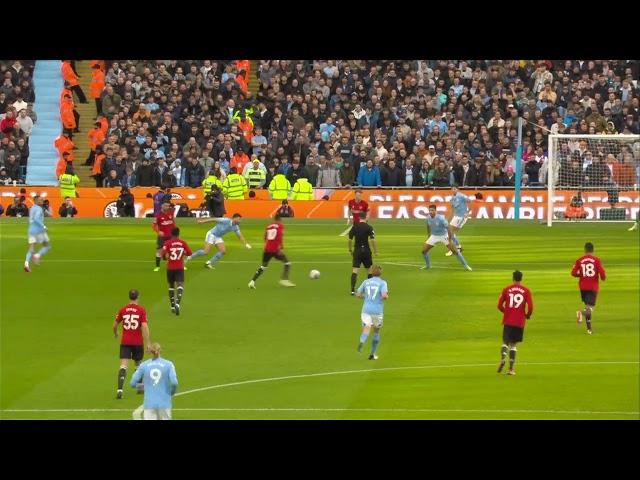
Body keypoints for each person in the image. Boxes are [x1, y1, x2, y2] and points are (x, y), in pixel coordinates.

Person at [113, 288, 151, 399]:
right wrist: (148, 342)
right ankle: (140, 388)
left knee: (123, 366)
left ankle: (120, 389)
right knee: (138, 364)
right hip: (137, 342)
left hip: (125, 342)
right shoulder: (141, 310)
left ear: (129, 297)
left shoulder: (123, 310)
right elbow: (144, 326)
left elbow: (114, 325)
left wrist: (115, 333)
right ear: (138, 297)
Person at [496, 270, 534, 375]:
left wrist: (506, 312)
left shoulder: (506, 289)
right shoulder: (526, 291)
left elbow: (499, 305)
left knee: (505, 342)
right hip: (519, 321)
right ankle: (511, 369)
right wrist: (527, 315)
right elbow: (530, 307)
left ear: (513, 278)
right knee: (513, 344)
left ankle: (503, 358)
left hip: (508, 320)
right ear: (521, 279)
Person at [130, 342, 178, 420]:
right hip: (164, 404)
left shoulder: (143, 365)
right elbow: (174, 383)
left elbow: (132, 383)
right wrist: (171, 392)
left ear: (150, 352)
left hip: (149, 404)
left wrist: (145, 387)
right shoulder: (169, 364)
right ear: (160, 350)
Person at [186, 214, 251, 269]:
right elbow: (214, 219)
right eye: (239, 219)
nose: (240, 221)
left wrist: (246, 244)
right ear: (234, 218)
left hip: (218, 237)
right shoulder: (225, 220)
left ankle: (208, 263)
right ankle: (190, 256)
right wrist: (202, 222)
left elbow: (240, 236)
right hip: (212, 234)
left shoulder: (236, 227)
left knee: (223, 251)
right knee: (205, 252)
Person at [248, 213, 295, 289]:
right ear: (280, 219)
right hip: (275, 249)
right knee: (287, 263)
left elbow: (265, 237)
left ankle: (252, 282)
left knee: (263, 266)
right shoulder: (280, 226)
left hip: (267, 249)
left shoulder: (269, 226)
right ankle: (284, 280)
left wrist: (269, 244)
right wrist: (281, 247)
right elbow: (279, 236)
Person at [422, 204, 472, 271]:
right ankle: (428, 266)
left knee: (455, 251)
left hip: (444, 235)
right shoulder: (428, 218)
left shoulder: (440, 218)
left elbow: (448, 228)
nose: (431, 212)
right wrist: (429, 235)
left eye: (432, 210)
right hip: (434, 236)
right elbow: (428, 226)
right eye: (430, 210)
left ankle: (466, 266)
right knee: (424, 251)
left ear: (435, 211)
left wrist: (450, 238)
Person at [571, 242, 606, 334]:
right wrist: (603, 278)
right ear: (593, 250)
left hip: (583, 287)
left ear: (585, 250)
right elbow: (602, 273)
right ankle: (580, 313)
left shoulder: (579, 260)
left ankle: (589, 329)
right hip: (592, 287)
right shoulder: (596, 260)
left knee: (587, 306)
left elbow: (573, 273)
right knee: (590, 308)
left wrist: (581, 275)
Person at [355, 264, 389, 360]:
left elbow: (358, 294)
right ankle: (372, 354)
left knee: (366, 327)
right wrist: (386, 296)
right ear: (380, 273)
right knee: (376, 331)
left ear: (371, 272)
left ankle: (362, 341)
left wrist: (365, 297)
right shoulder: (383, 283)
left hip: (366, 309)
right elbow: (384, 296)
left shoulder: (366, 282)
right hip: (377, 311)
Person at [161, 227, 192, 315]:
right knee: (180, 285)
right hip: (179, 267)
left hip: (170, 268)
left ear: (171, 234)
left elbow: (163, 254)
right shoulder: (183, 243)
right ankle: (177, 303)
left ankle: (172, 305)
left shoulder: (167, 243)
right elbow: (190, 253)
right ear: (179, 234)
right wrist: (183, 253)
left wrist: (166, 256)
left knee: (171, 286)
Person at [446, 186, 482, 257]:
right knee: (450, 232)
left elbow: (470, 201)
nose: (453, 190)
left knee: (450, 232)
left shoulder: (461, 196)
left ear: (457, 189)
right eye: (452, 189)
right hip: (456, 216)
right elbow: (452, 209)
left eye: (455, 189)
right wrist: (448, 219)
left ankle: (455, 248)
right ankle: (457, 246)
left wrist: (468, 212)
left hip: (461, 216)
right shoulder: (452, 199)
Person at [349, 218, 377, 295]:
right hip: (366, 251)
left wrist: (350, 250)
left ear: (360, 218)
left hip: (357, 251)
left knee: (355, 270)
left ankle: (352, 290)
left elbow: (350, 240)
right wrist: (375, 251)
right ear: (366, 218)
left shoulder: (355, 227)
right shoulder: (369, 227)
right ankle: (370, 290)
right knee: (369, 270)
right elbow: (372, 239)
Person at [24, 195, 52, 273]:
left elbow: (31, 219)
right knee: (47, 246)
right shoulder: (39, 209)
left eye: (42, 199)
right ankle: (37, 256)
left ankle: (26, 264)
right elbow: (36, 219)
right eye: (40, 200)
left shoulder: (32, 208)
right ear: (36, 201)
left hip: (31, 231)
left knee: (31, 249)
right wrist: (43, 226)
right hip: (39, 231)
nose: (42, 201)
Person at [152, 202, 176, 272]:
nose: (167, 207)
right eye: (166, 206)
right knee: (159, 250)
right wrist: (158, 232)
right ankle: (157, 266)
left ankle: (174, 266)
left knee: (173, 250)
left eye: (168, 206)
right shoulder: (158, 215)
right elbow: (154, 225)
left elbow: (173, 222)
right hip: (162, 236)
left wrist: (175, 232)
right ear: (162, 206)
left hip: (171, 236)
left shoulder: (171, 213)